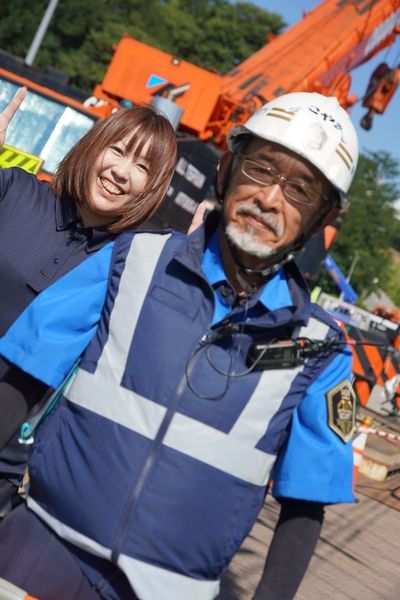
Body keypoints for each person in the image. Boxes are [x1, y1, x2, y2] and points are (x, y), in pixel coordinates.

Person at [0, 92, 359, 600]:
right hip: (37, 556)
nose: (270, 199)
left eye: (301, 189)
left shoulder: (319, 351)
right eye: (260, 169)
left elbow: (305, 504)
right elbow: (24, 375)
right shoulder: (128, 260)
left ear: (321, 219)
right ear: (225, 172)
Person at [0, 88, 177, 512]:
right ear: (95, 145)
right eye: (118, 150)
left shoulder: (128, 267)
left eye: (142, 168)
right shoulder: (12, 191)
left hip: (8, 471)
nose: (122, 172)